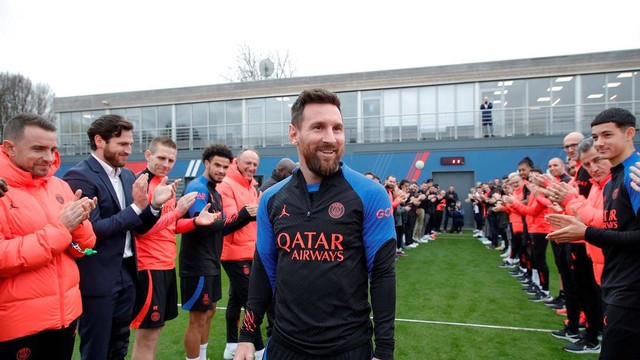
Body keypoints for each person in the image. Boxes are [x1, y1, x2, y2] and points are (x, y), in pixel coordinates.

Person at [235, 88, 396, 360]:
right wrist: (247, 336)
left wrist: (384, 350)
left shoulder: (370, 194)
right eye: (319, 127)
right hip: (284, 346)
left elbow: (382, 276)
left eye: (338, 128)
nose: (331, 138)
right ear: (294, 134)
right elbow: (263, 269)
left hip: (348, 349)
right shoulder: (272, 199)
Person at [63, 114, 174, 360]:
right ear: (100, 141)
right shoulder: (79, 176)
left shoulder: (125, 176)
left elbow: (138, 227)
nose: (128, 150)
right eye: (122, 144)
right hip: (98, 276)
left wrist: (154, 206)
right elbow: (93, 232)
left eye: (130, 144)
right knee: (96, 350)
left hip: (127, 273)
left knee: (119, 348)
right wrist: (136, 208)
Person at [0, 114, 96, 360]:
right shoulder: (2, 191)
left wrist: (80, 223)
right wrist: (61, 229)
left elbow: (82, 249)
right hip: (16, 325)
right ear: (10, 148)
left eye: (53, 149)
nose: (49, 157)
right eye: (38, 148)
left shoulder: (59, 186)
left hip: (66, 317)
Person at [547, 108, 640, 358]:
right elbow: (614, 229)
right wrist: (580, 232)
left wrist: (586, 233)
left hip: (630, 290)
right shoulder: (612, 182)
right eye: (596, 137)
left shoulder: (634, 174)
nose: (600, 143)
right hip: (614, 281)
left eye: (607, 135)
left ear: (629, 133)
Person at [179, 144, 256, 360]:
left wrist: (243, 216)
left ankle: (202, 356)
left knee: (209, 313)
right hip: (196, 263)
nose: (221, 171)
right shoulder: (198, 189)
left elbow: (220, 227)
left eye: (225, 166)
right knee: (198, 318)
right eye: (217, 166)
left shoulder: (215, 191)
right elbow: (203, 225)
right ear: (206, 164)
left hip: (211, 261)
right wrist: (240, 216)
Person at [130, 137, 200, 360]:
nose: (166, 163)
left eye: (171, 159)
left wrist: (196, 222)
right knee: (147, 336)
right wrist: (177, 211)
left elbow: (170, 226)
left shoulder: (164, 184)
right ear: (148, 155)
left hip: (165, 265)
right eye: (161, 157)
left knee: (156, 331)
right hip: (148, 267)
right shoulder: (141, 184)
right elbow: (143, 229)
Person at [217, 149, 265, 360]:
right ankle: (261, 350)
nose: (252, 168)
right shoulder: (226, 185)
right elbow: (227, 223)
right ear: (236, 162)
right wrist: (248, 213)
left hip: (250, 250)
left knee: (236, 300)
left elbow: (252, 217)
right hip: (233, 252)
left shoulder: (252, 185)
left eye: (255, 164)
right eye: (248, 163)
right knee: (252, 300)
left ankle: (230, 346)